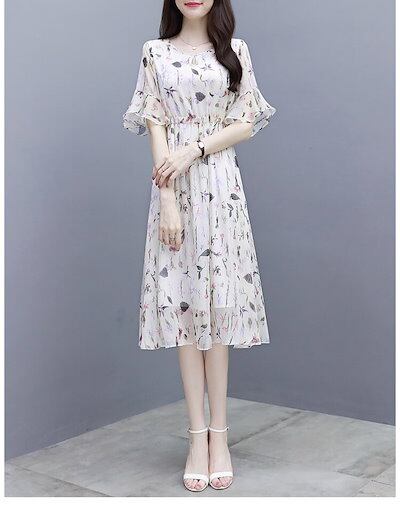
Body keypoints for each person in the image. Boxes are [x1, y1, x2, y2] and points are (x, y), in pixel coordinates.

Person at [123, 0, 276, 492]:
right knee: (186, 311)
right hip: (174, 191)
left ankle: (220, 437)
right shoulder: (154, 53)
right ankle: (196, 437)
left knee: (219, 310)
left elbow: (247, 121)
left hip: (221, 188)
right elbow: (155, 122)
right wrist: (168, 200)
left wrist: (196, 148)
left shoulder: (236, 50)